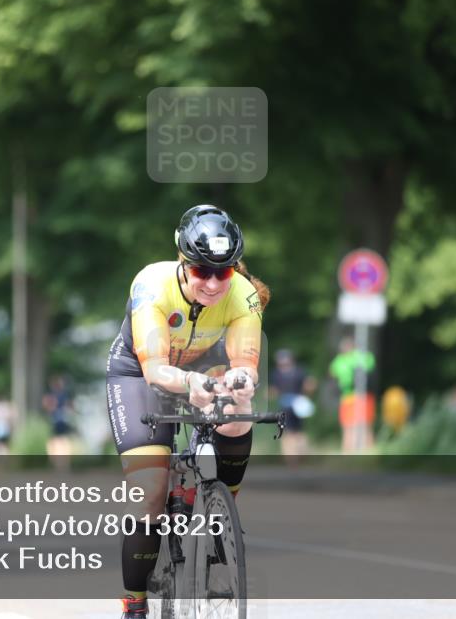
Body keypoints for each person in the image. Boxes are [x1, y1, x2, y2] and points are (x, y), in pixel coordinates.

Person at [105, 205, 270, 618]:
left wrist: (241, 380)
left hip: (204, 363)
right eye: (201, 272)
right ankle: (135, 604)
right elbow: (156, 369)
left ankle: (222, 512)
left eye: (224, 272)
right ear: (183, 262)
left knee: (240, 401)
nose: (213, 283)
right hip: (141, 373)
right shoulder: (151, 285)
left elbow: (245, 363)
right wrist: (190, 384)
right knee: (150, 493)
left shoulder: (244, 295)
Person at [270, 349, 316, 463]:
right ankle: (293, 457)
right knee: (291, 432)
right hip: (288, 405)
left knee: (295, 431)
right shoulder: (279, 373)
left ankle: (295, 456)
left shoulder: (296, 372)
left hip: (296, 405)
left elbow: (309, 384)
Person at [42, 376, 73, 470]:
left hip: (56, 420)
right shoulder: (65, 395)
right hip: (63, 419)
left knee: (55, 441)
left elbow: (47, 406)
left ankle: (58, 463)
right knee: (63, 441)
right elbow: (69, 407)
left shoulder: (52, 395)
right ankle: (64, 463)